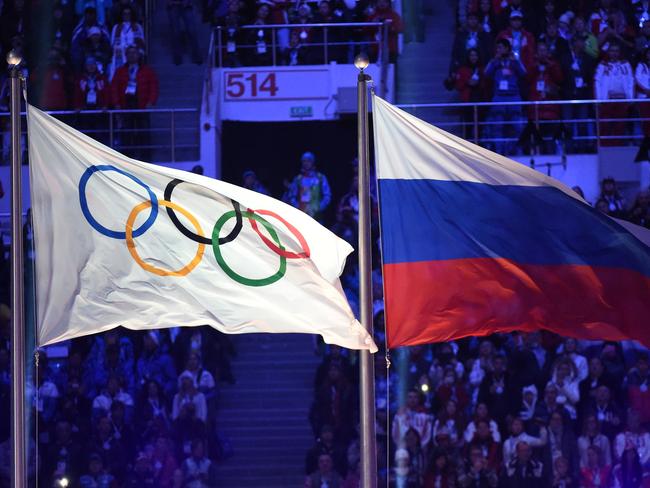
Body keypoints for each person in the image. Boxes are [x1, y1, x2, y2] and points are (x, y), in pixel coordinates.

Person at [111, 45, 159, 159]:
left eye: (134, 53)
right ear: (126, 56)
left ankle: (145, 158)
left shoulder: (147, 71)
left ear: (138, 55)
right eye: (129, 53)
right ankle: (128, 157)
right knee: (127, 132)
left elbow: (154, 87)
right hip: (126, 105)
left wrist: (151, 102)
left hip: (142, 105)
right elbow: (114, 88)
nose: (132, 55)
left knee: (144, 132)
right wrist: (116, 103)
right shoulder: (120, 71)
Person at [484, 38, 526, 155]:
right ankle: (499, 152)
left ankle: (518, 151)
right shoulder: (495, 61)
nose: (498, 50)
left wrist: (516, 61)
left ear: (507, 48)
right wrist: (493, 61)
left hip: (513, 97)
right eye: (497, 48)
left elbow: (524, 73)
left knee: (518, 127)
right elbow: (486, 73)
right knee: (497, 126)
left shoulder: (514, 61)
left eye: (501, 47)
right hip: (499, 97)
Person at [594, 42, 633, 146]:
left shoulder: (625, 64)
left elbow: (630, 80)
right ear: (608, 52)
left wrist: (630, 98)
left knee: (620, 125)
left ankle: (617, 146)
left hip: (622, 100)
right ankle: (605, 147)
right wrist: (599, 99)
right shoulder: (602, 65)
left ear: (619, 53)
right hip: (607, 100)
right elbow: (597, 82)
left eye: (616, 51)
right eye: (612, 51)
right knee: (605, 124)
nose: (614, 53)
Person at [288, 151, 331, 222]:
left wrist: (318, 208)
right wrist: (298, 208)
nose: (306, 163)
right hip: (301, 216)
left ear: (313, 162)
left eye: (308, 161)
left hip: (317, 216)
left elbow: (327, 196)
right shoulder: (298, 179)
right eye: (304, 161)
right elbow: (292, 196)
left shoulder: (320, 178)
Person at [109, 5, 145, 79]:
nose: (127, 16)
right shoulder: (116, 27)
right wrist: (118, 48)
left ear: (132, 15)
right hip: (120, 53)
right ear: (121, 15)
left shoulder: (137, 26)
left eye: (129, 13)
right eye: (125, 14)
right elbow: (112, 44)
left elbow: (141, 43)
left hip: (134, 53)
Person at [167, 0, 202, 65]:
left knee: (192, 31)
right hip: (173, 5)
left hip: (187, 4)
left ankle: (197, 56)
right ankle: (177, 57)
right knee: (176, 32)